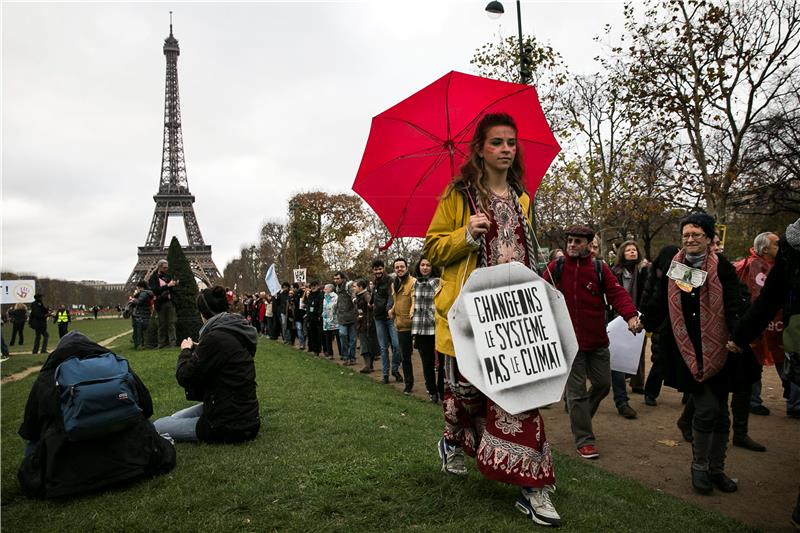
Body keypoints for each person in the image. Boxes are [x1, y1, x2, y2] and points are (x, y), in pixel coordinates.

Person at [423, 113, 560, 526]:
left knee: (520, 400)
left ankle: (533, 488)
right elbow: (433, 248)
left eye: (511, 143)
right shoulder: (458, 195)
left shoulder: (522, 197)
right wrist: (466, 233)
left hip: (514, 318)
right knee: (464, 400)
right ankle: (452, 441)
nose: (505, 149)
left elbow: (525, 253)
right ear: (480, 148)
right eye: (496, 142)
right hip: (468, 318)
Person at [640, 213, 758, 495]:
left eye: (696, 235)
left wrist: (737, 334)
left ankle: (718, 470)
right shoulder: (676, 267)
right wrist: (639, 322)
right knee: (706, 410)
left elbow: (735, 301)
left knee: (722, 415)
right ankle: (699, 469)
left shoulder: (722, 268)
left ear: (708, 238)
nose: (690, 240)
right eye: (686, 235)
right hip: (687, 351)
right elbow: (659, 302)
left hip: (721, 350)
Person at [17, 331, 176, 498]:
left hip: (69, 473)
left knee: (33, 444)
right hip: (132, 460)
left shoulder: (48, 377)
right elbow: (146, 407)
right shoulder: (116, 364)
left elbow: (30, 429)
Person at [542, 225, 642, 459]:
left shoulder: (600, 268)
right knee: (576, 392)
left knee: (602, 385)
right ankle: (584, 439)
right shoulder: (557, 267)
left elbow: (617, 294)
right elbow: (539, 290)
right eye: (570, 241)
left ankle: (580, 415)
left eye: (578, 241)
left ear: (589, 243)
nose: (572, 245)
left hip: (597, 340)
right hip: (569, 342)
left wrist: (631, 315)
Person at [154, 286, 260, 443]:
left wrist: (185, 351)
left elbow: (185, 376)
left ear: (203, 313)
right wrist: (200, 349)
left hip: (228, 425)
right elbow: (224, 356)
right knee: (174, 417)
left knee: (158, 425)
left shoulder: (214, 338)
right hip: (246, 414)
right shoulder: (236, 330)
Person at [609, 240, 649, 419]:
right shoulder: (614, 272)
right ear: (622, 254)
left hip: (638, 317)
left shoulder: (644, 271)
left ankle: (637, 384)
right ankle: (621, 400)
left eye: (635, 250)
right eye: (628, 250)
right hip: (616, 318)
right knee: (616, 357)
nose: (632, 252)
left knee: (636, 351)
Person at [641, 245, 681, 407]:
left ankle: (651, 393)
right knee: (661, 359)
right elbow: (651, 300)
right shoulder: (661, 275)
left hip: (669, 322)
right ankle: (650, 392)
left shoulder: (675, 273)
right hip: (664, 323)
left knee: (665, 360)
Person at [411, 257, 442, 403]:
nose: (424, 267)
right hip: (421, 328)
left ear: (432, 267)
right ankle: (432, 390)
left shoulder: (437, 282)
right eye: (422, 264)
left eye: (428, 265)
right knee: (427, 362)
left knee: (441, 362)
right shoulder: (416, 283)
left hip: (436, 327)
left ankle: (442, 389)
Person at [371, 259, 402, 384]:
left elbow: (391, 296)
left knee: (396, 345)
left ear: (383, 269)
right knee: (383, 348)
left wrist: (389, 308)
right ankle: (385, 374)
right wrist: (371, 302)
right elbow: (375, 295)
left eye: (380, 269)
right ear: (373, 270)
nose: (378, 271)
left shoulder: (390, 280)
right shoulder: (375, 282)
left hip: (389, 317)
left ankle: (395, 369)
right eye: (375, 269)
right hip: (378, 318)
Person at [389, 257, 416, 393]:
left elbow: (414, 299)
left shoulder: (413, 282)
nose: (399, 269)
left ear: (407, 268)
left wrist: (412, 311)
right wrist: (392, 310)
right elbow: (396, 300)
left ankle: (432, 388)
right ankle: (408, 383)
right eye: (397, 267)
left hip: (414, 324)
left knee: (423, 356)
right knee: (405, 357)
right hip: (401, 325)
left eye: (401, 267)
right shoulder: (394, 284)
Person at [149, 259, 178, 348]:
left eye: (167, 267)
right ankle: (161, 343)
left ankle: (172, 343)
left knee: (171, 323)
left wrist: (174, 284)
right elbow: (155, 290)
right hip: (160, 303)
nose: (166, 269)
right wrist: (167, 286)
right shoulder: (153, 278)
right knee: (161, 324)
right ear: (159, 267)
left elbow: (172, 289)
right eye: (165, 267)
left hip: (169, 302)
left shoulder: (168, 276)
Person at [333, 272, 357, 364]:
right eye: (334, 279)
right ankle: (345, 357)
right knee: (342, 336)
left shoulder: (348, 286)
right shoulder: (337, 288)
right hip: (342, 317)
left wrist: (354, 299)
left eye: (337, 278)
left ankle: (352, 358)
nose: (336, 280)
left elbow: (353, 294)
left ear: (342, 278)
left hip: (351, 316)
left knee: (353, 339)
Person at [354, 279, 375, 373]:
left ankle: (367, 366)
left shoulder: (366, 295)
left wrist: (370, 305)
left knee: (365, 344)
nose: (354, 288)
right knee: (367, 343)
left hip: (366, 323)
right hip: (362, 323)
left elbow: (371, 304)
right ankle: (370, 365)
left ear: (360, 287)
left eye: (355, 286)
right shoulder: (359, 296)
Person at [131, 281, 154, 349]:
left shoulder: (143, 294)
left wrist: (133, 299)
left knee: (139, 331)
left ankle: (140, 345)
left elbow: (139, 302)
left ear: (141, 287)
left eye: (138, 287)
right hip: (146, 313)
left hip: (141, 314)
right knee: (145, 331)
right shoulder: (148, 293)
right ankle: (145, 344)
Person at [305, 281, 324, 357]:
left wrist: (319, 315)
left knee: (318, 334)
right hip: (310, 317)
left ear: (318, 286)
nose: (313, 287)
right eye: (312, 286)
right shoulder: (310, 295)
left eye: (314, 286)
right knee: (311, 334)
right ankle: (313, 348)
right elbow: (308, 305)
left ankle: (317, 350)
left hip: (317, 317)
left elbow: (321, 305)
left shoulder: (320, 295)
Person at [321, 283, 339, 360]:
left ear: (330, 289)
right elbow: (324, 308)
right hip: (326, 321)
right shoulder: (325, 297)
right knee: (328, 338)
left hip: (335, 321)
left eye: (325, 288)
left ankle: (342, 354)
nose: (324, 290)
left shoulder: (335, 297)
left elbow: (334, 308)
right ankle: (330, 354)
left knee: (338, 338)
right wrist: (323, 314)